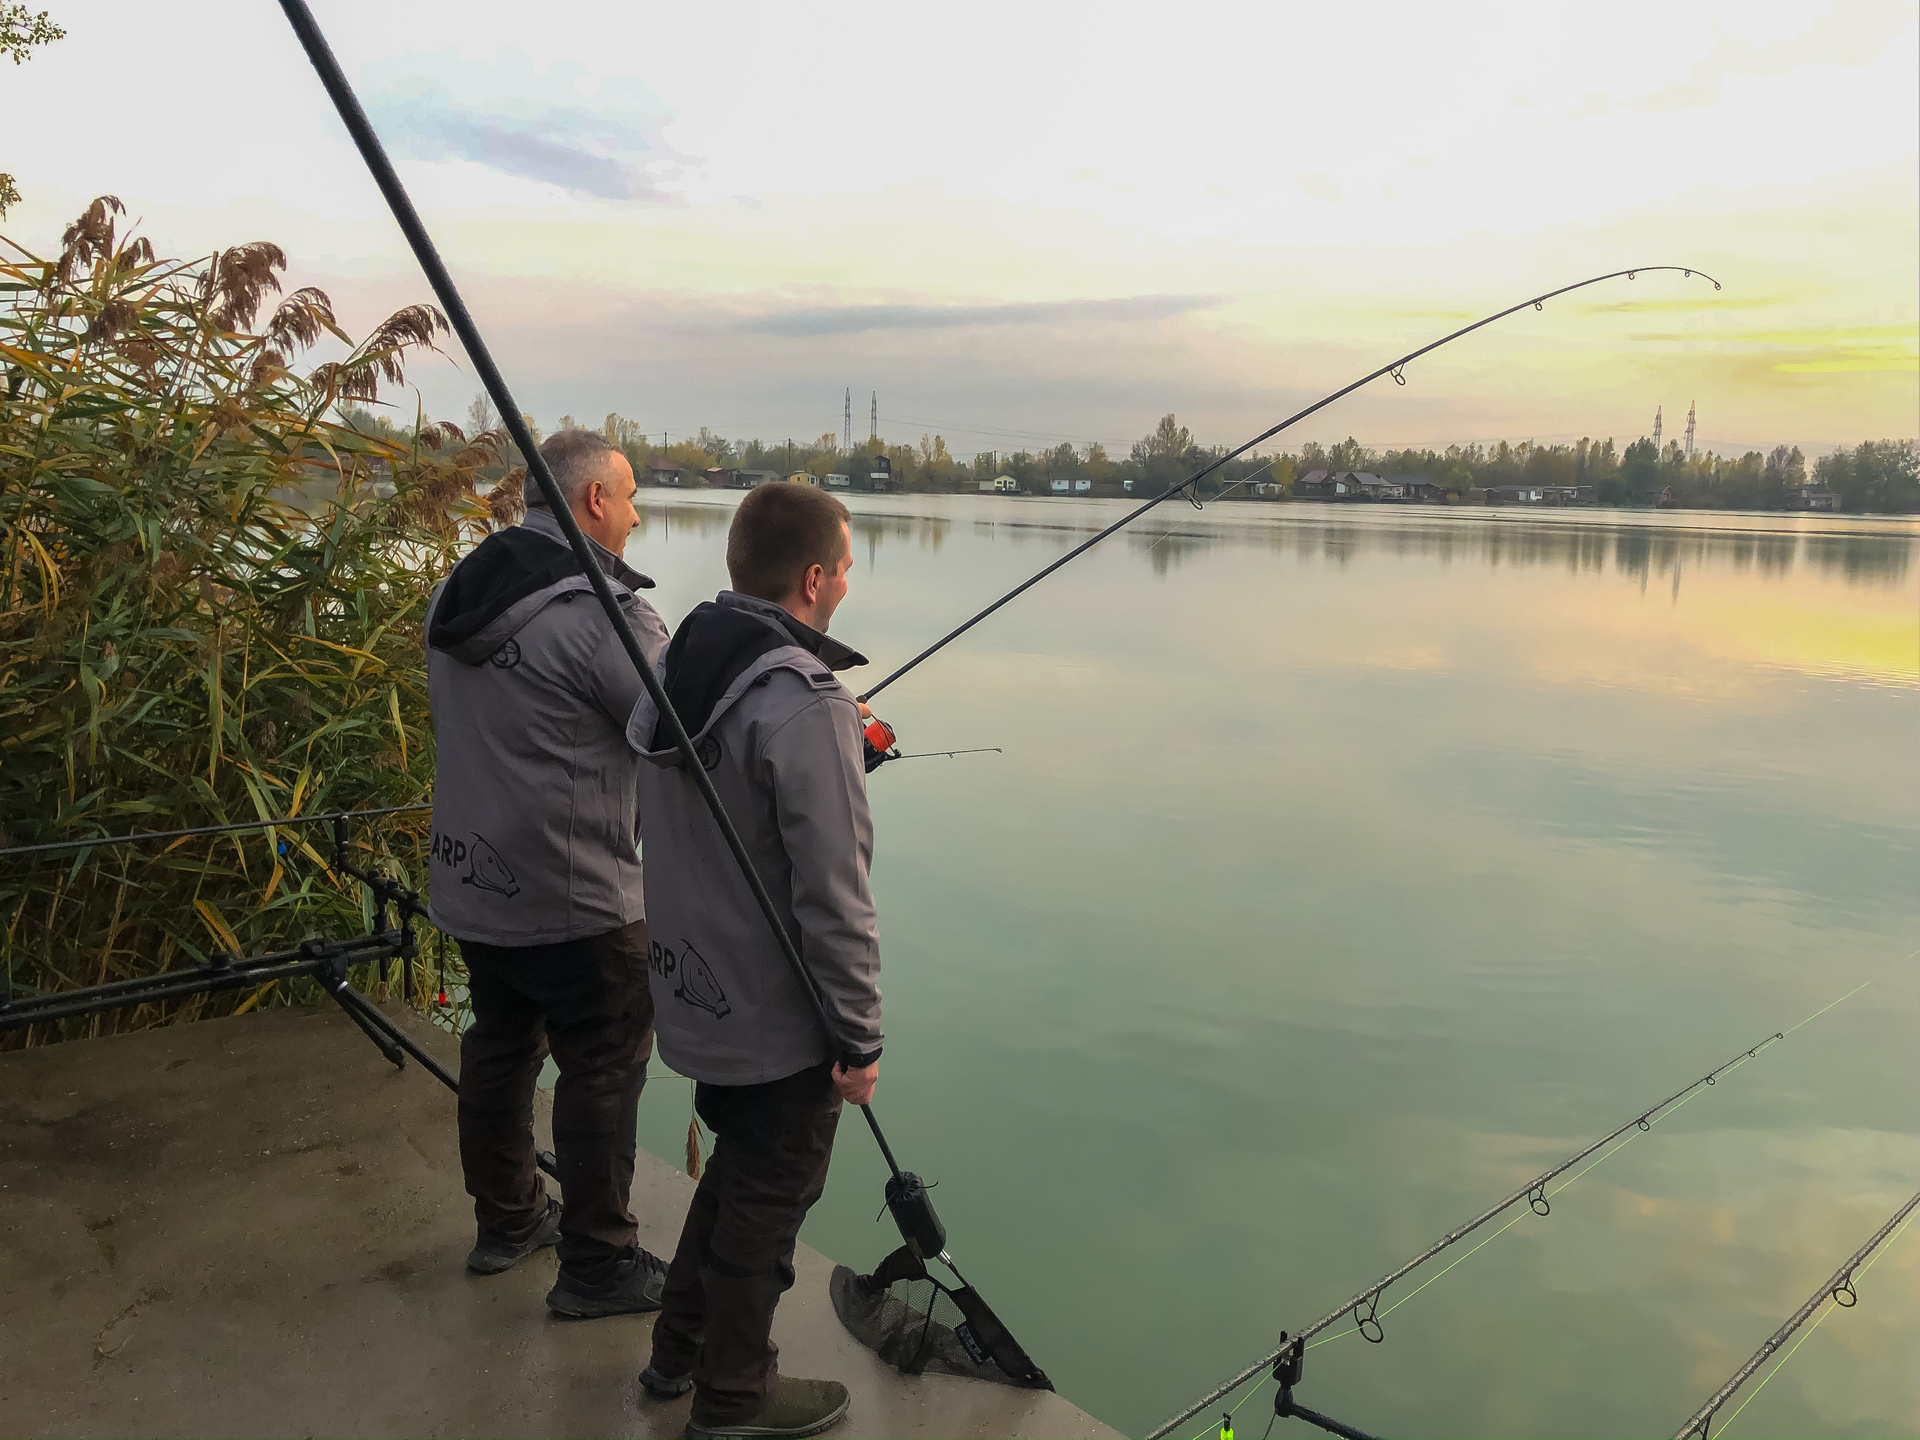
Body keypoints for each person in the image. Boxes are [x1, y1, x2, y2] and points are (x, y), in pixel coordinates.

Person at [626, 483, 882, 1440]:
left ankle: (676, 1354)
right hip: (776, 1016)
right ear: (815, 580)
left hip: (694, 991)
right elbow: (834, 897)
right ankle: (735, 1399)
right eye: (846, 566)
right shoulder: (805, 703)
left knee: (740, 1174)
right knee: (769, 1201)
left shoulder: (678, 664)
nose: (847, 582)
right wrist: (859, 1035)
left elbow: (724, 800)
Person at [424, 428, 673, 1318]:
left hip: (473, 876)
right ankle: (600, 1264)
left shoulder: (462, 588)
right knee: (603, 1067)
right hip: (578, 893)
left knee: (500, 1043)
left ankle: (508, 1221)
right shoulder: (600, 611)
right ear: (594, 500)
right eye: (631, 495)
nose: (638, 515)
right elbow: (682, 732)